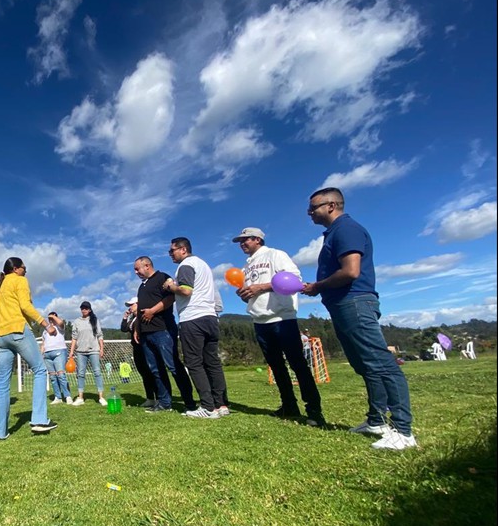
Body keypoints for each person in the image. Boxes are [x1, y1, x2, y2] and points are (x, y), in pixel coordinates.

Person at [301, 187, 417, 450]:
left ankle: (403, 430)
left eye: (313, 208)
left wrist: (319, 285)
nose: (310, 213)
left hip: (354, 301)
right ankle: (376, 421)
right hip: (343, 304)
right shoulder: (333, 233)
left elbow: (351, 271)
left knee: (381, 363)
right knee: (365, 365)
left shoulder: (346, 229)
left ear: (331, 206)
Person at [233, 227, 325, 426]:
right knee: (276, 367)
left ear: (257, 239)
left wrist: (262, 287)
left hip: (283, 318)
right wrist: (245, 294)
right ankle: (289, 406)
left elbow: (294, 279)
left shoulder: (276, 254)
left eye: (245, 240)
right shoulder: (246, 267)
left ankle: (314, 412)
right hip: (260, 320)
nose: (242, 244)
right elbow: (251, 290)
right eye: (240, 241)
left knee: (298, 364)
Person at [0, 257, 59, 439]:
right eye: (24, 268)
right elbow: (25, 305)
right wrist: (46, 324)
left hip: (1, 335)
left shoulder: (1, 286)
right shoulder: (19, 280)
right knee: (39, 370)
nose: (26, 271)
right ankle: (39, 420)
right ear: (16, 269)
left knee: (2, 383)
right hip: (18, 330)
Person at [165, 237, 229, 419]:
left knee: (194, 362)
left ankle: (208, 407)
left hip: (193, 318)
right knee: (212, 362)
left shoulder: (186, 265)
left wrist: (170, 286)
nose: (170, 254)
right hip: (210, 317)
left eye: (172, 251)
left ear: (183, 249)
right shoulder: (204, 265)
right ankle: (221, 404)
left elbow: (186, 290)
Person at [134, 255, 196, 413]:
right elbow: (140, 310)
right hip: (146, 334)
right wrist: (138, 329)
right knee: (155, 369)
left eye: (137, 268)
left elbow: (171, 297)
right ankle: (164, 403)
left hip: (163, 330)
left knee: (173, 366)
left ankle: (189, 402)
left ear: (147, 266)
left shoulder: (163, 277)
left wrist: (153, 311)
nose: (135, 272)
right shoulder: (142, 287)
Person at [120, 297, 159, 407]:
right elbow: (123, 329)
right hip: (136, 348)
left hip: (146, 347)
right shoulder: (132, 319)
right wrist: (125, 317)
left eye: (132, 305)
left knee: (152, 372)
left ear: (138, 304)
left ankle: (159, 398)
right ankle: (150, 398)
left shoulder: (144, 316)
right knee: (144, 373)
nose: (130, 308)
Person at [68, 301, 107, 406]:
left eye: (86, 308)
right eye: (82, 308)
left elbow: (100, 335)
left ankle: (101, 397)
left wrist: (101, 349)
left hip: (94, 350)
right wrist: (71, 351)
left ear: (89, 309)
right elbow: (74, 338)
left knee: (97, 372)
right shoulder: (77, 321)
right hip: (80, 351)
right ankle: (80, 397)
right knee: (80, 374)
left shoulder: (95, 320)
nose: (84, 310)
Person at [42, 312, 72, 405]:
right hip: (47, 355)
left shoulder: (60, 328)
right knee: (53, 377)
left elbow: (61, 323)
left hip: (59, 352)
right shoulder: (45, 331)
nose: (51, 319)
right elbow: (43, 343)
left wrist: (53, 316)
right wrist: (41, 353)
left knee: (61, 375)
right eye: (50, 318)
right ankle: (57, 397)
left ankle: (67, 396)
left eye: (54, 317)